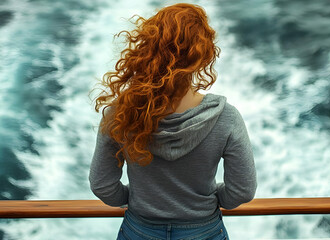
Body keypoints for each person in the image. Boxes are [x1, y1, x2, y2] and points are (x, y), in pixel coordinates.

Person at [89, 3, 256, 240]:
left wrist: (137, 198)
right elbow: (242, 191)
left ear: (148, 50)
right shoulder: (226, 118)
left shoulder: (121, 113)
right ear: (202, 58)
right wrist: (213, 197)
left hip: (140, 229)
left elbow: (102, 185)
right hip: (204, 231)